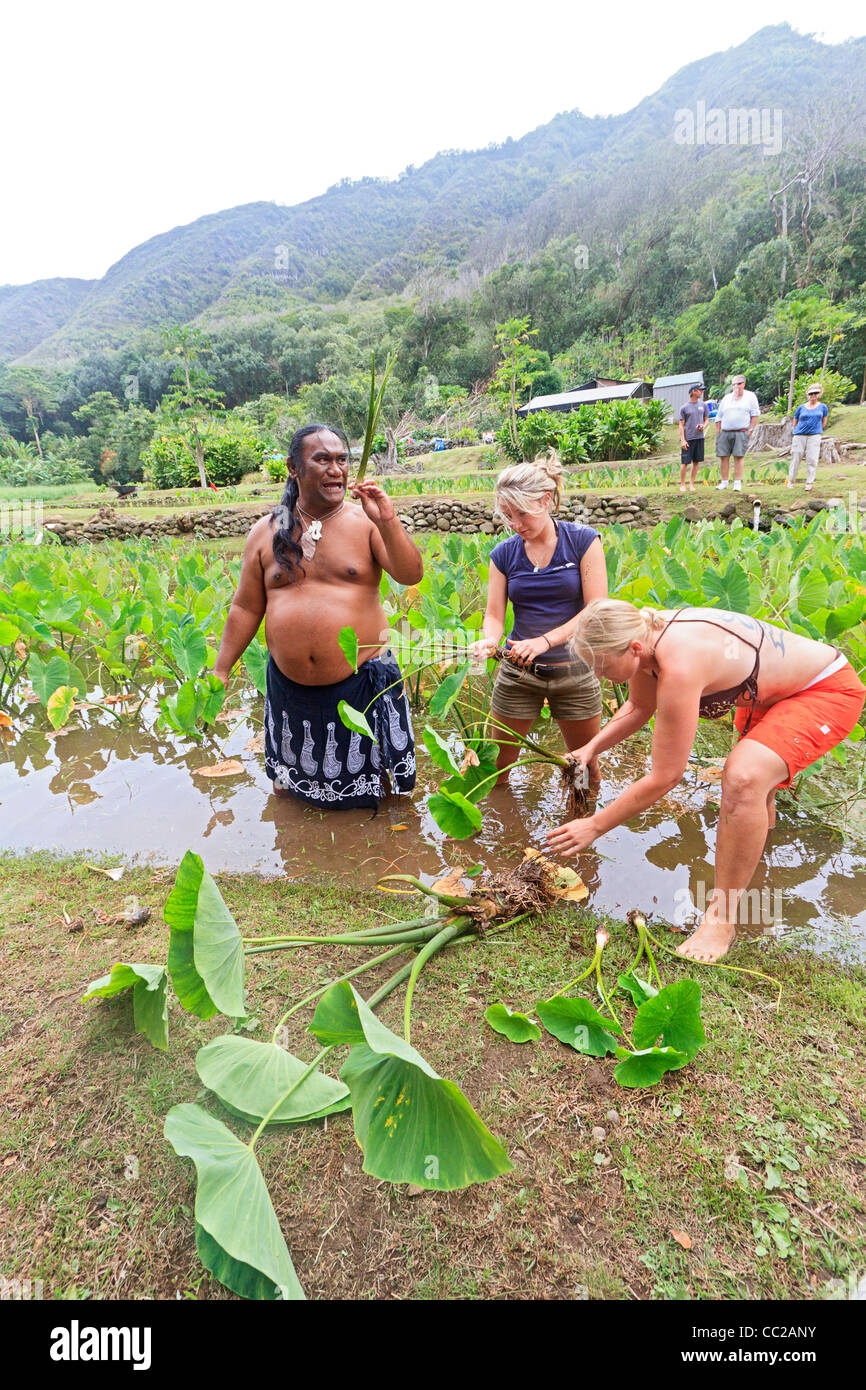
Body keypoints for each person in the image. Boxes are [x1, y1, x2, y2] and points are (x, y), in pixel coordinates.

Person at [545, 598, 865, 961]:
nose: (599, 677)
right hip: (769, 690)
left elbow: (666, 776)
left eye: (602, 667)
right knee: (758, 792)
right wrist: (590, 748)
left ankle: (722, 920)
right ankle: (757, 873)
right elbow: (638, 707)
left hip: (824, 689)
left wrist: (596, 825)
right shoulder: (640, 637)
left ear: (633, 649)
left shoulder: (680, 662)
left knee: (744, 778)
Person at [213, 424, 423, 809]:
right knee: (289, 792)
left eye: (341, 459)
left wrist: (388, 519)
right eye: (322, 459)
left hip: (362, 681)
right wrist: (221, 670)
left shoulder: (366, 524)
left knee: (379, 790)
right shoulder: (265, 532)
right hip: (289, 688)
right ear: (294, 467)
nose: (335, 469)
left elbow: (410, 574)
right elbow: (245, 607)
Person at [474, 456, 608, 783]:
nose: (516, 524)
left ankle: (582, 829)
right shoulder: (504, 554)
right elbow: (494, 615)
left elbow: (596, 609)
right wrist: (489, 640)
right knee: (497, 768)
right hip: (519, 672)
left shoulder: (582, 541)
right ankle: (502, 831)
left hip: (574, 670)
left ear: (545, 500)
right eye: (508, 516)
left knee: (583, 768)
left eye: (522, 513)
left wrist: (546, 641)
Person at [715, 374, 760, 491]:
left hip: (741, 431)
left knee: (738, 456)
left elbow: (755, 414)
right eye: (734, 384)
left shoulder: (750, 396)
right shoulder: (726, 398)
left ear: (743, 384)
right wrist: (718, 433)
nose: (736, 386)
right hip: (725, 432)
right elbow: (718, 416)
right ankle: (724, 482)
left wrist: (750, 430)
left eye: (739, 384)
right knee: (724, 457)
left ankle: (737, 483)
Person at [786, 384, 828, 492]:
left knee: (812, 458)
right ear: (807, 395)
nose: (813, 396)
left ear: (818, 394)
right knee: (796, 456)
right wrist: (798, 431)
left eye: (815, 393)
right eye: (811, 394)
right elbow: (795, 421)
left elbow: (824, 421)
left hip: (814, 435)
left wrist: (817, 430)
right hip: (800, 435)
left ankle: (809, 482)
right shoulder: (801, 408)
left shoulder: (823, 407)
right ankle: (791, 481)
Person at [678, 384, 709, 493]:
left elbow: (706, 420)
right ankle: (682, 485)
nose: (702, 392)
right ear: (694, 391)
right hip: (688, 438)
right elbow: (681, 425)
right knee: (685, 462)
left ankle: (691, 484)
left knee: (696, 462)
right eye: (700, 390)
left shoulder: (703, 405)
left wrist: (703, 426)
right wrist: (683, 440)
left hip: (699, 438)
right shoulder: (684, 407)